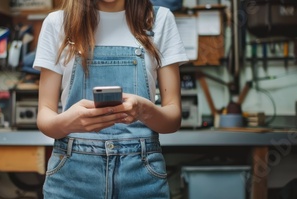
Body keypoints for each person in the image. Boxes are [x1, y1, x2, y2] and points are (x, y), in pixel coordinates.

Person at [33, 0, 189, 198]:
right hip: (73, 177)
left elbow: (173, 118)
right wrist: (68, 122)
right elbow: (45, 116)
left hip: (140, 174)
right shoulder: (58, 23)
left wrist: (144, 110)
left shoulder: (159, 20)